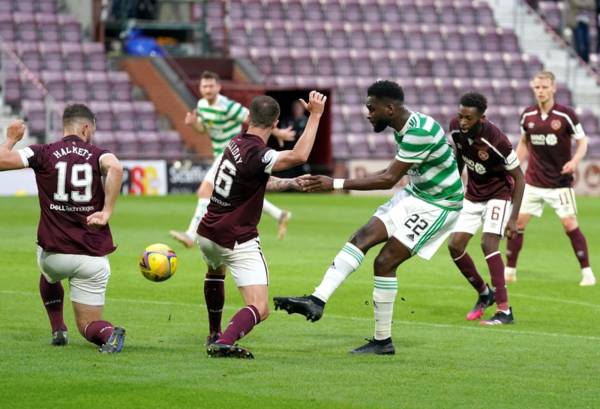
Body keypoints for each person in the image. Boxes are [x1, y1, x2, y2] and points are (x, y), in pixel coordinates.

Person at [273, 80, 464, 355]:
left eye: (371, 108)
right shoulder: (405, 127)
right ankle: (317, 299)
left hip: (440, 205)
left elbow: (388, 179)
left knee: (385, 261)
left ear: (390, 108)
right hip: (416, 194)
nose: (368, 114)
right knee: (361, 237)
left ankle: (382, 341)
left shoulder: (419, 131)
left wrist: (335, 184)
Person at [199, 91, 327, 359]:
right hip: (236, 237)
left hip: (207, 233)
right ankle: (224, 341)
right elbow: (299, 155)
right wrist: (315, 115)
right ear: (276, 122)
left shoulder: (235, 143)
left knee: (215, 271)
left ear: (249, 118)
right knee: (260, 306)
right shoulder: (260, 152)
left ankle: (213, 331)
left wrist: (289, 183)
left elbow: (257, 180)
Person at [0, 105, 126, 352]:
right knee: (88, 325)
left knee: (46, 267)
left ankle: (58, 327)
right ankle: (109, 334)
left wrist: (11, 139)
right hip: (93, 257)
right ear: (86, 127)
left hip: (54, 255)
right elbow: (116, 168)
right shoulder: (97, 154)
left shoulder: (43, 152)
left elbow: (2, 161)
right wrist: (107, 212)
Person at [169, 71, 296, 247]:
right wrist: (194, 124)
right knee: (243, 195)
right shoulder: (202, 105)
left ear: (218, 87)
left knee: (205, 190)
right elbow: (202, 130)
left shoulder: (228, 106)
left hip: (231, 151)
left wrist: (278, 132)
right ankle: (279, 215)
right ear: (200, 88)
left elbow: (256, 119)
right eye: (204, 86)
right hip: (221, 154)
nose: (207, 89)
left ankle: (191, 235)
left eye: (211, 86)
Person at [505, 71, 595, 286]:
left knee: (569, 223)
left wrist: (574, 162)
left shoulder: (566, 115)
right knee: (517, 223)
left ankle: (587, 273)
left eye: (545, 87)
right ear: (533, 89)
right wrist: (514, 167)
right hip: (533, 181)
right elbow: (524, 143)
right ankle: (510, 271)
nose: (541, 91)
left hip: (559, 183)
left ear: (553, 88)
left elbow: (582, 142)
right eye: (537, 87)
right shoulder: (527, 115)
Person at [447, 93, 525, 325]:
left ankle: (504, 310)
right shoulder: (455, 128)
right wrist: (453, 187)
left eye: (468, 118)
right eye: (460, 116)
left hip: (498, 194)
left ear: (481, 118)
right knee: (455, 245)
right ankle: (484, 293)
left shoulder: (497, 141)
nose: (462, 122)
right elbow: (460, 156)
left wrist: (513, 218)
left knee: (487, 243)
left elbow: (519, 179)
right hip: (473, 194)